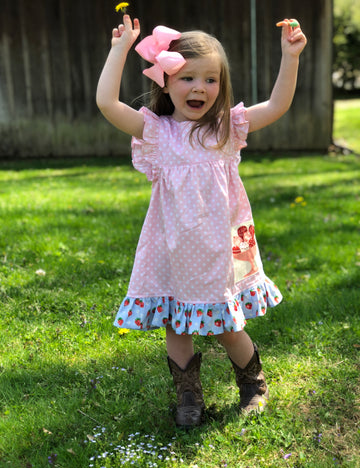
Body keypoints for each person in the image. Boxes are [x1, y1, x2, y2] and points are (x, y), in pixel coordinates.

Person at [96, 15, 307, 427]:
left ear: (221, 86)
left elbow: (278, 105)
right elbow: (107, 104)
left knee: (227, 324)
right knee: (178, 324)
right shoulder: (156, 132)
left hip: (221, 250)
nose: (199, 88)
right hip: (173, 248)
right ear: (165, 83)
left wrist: (290, 56)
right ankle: (188, 396)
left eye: (211, 80)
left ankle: (252, 383)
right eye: (187, 78)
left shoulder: (227, 128)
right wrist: (119, 50)